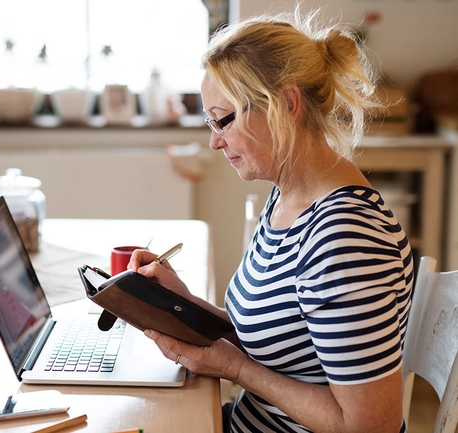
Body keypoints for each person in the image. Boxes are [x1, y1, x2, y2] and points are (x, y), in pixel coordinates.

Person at [129, 7, 414, 433]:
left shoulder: (343, 238)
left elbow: (370, 426)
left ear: (286, 104)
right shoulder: (289, 196)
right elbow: (282, 339)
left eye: (223, 119)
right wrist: (184, 304)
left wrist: (237, 370)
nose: (214, 140)